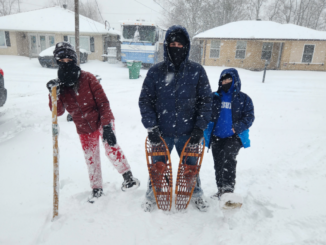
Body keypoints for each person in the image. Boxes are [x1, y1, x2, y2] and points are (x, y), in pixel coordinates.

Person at [47, 42, 140, 203]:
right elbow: (59, 111)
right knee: (91, 157)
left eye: (69, 60)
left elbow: (103, 103)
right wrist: (52, 94)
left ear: (75, 61)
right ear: (57, 62)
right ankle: (96, 189)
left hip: (101, 119)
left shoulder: (87, 78)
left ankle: (128, 177)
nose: (66, 64)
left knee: (111, 147)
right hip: (83, 126)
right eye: (62, 61)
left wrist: (107, 126)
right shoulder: (60, 86)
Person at [139, 25, 212, 212]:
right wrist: (152, 127)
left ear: (186, 46)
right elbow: (145, 101)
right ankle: (153, 195)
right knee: (157, 167)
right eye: (172, 43)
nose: (176, 47)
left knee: (191, 168)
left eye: (180, 43)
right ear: (166, 46)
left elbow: (206, 101)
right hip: (162, 133)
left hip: (189, 133)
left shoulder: (197, 70)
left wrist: (199, 127)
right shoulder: (156, 72)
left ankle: (195, 194)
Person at [204, 68, 255, 200]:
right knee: (218, 163)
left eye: (229, 79)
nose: (226, 82)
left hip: (234, 137)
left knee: (229, 159)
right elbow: (203, 112)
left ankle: (228, 191)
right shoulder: (213, 97)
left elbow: (249, 117)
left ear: (235, 81)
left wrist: (236, 127)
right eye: (223, 79)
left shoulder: (243, 98)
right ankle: (220, 190)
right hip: (216, 136)